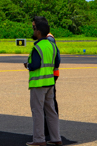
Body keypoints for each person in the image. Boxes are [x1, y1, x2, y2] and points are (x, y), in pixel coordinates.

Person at [24, 16, 61, 146]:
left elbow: (35, 65)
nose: (33, 31)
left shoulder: (37, 47)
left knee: (38, 112)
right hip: (50, 83)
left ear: (38, 32)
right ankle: (56, 137)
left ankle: (39, 139)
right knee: (51, 111)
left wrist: (27, 65)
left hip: (38, 83)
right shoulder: (52, 46)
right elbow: (57, 62)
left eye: (34, 29)